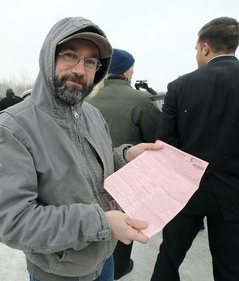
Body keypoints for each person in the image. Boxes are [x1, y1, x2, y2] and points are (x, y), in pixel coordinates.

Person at [0, 16, 162, 281]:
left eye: (90, 61)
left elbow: (92, 165)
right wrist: (101, 223)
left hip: (104, 260)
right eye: (70, 55)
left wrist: (124, 155)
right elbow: (12, 223)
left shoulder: (91, 114)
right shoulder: (13, 128)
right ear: (49, 58)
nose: (80, 69)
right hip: (60, 271)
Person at [151, 17, 239, 281]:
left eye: (196, 49)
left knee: (169, 257)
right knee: (235, 270)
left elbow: (164, 146)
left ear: (205, 48)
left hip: (186, 192)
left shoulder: (180, 86)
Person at [88, 48, 161, 280]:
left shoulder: (88, 98)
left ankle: (97, 265)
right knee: (124, 224)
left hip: (92, 175)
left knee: (97, 219)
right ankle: (119, 268)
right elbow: (156, 140)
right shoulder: (142, 100)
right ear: (126, 71)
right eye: (132, 67)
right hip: (129, 177)